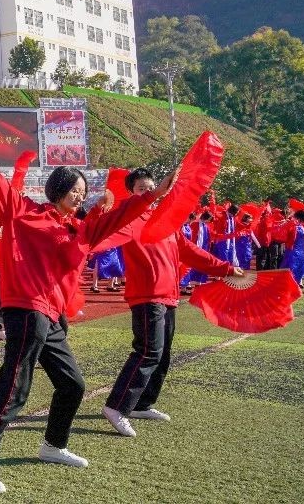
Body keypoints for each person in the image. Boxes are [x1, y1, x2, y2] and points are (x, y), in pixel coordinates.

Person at [0, 133, 172, 495]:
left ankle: (53, 445)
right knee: (14, 388)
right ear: (58, 188)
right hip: (25, 310)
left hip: (50, 316)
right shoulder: (24, 212)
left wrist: (152, 195)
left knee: (72, 385)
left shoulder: (79, 227)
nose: (80, 195)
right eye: (74, 189)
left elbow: (115, 219)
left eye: (83, 191)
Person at [102, 168, 240, 438]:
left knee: (162, 355)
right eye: (142, 188)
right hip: (146, 295)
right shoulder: (129, 218)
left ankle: (143, 403)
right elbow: (108, 227)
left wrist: (225, 268)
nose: (150, 192)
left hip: (169, 295)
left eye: (152, 186)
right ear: (132, 193)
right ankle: (116, 407)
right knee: (148, 351)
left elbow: (190, 252)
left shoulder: (167, 221)